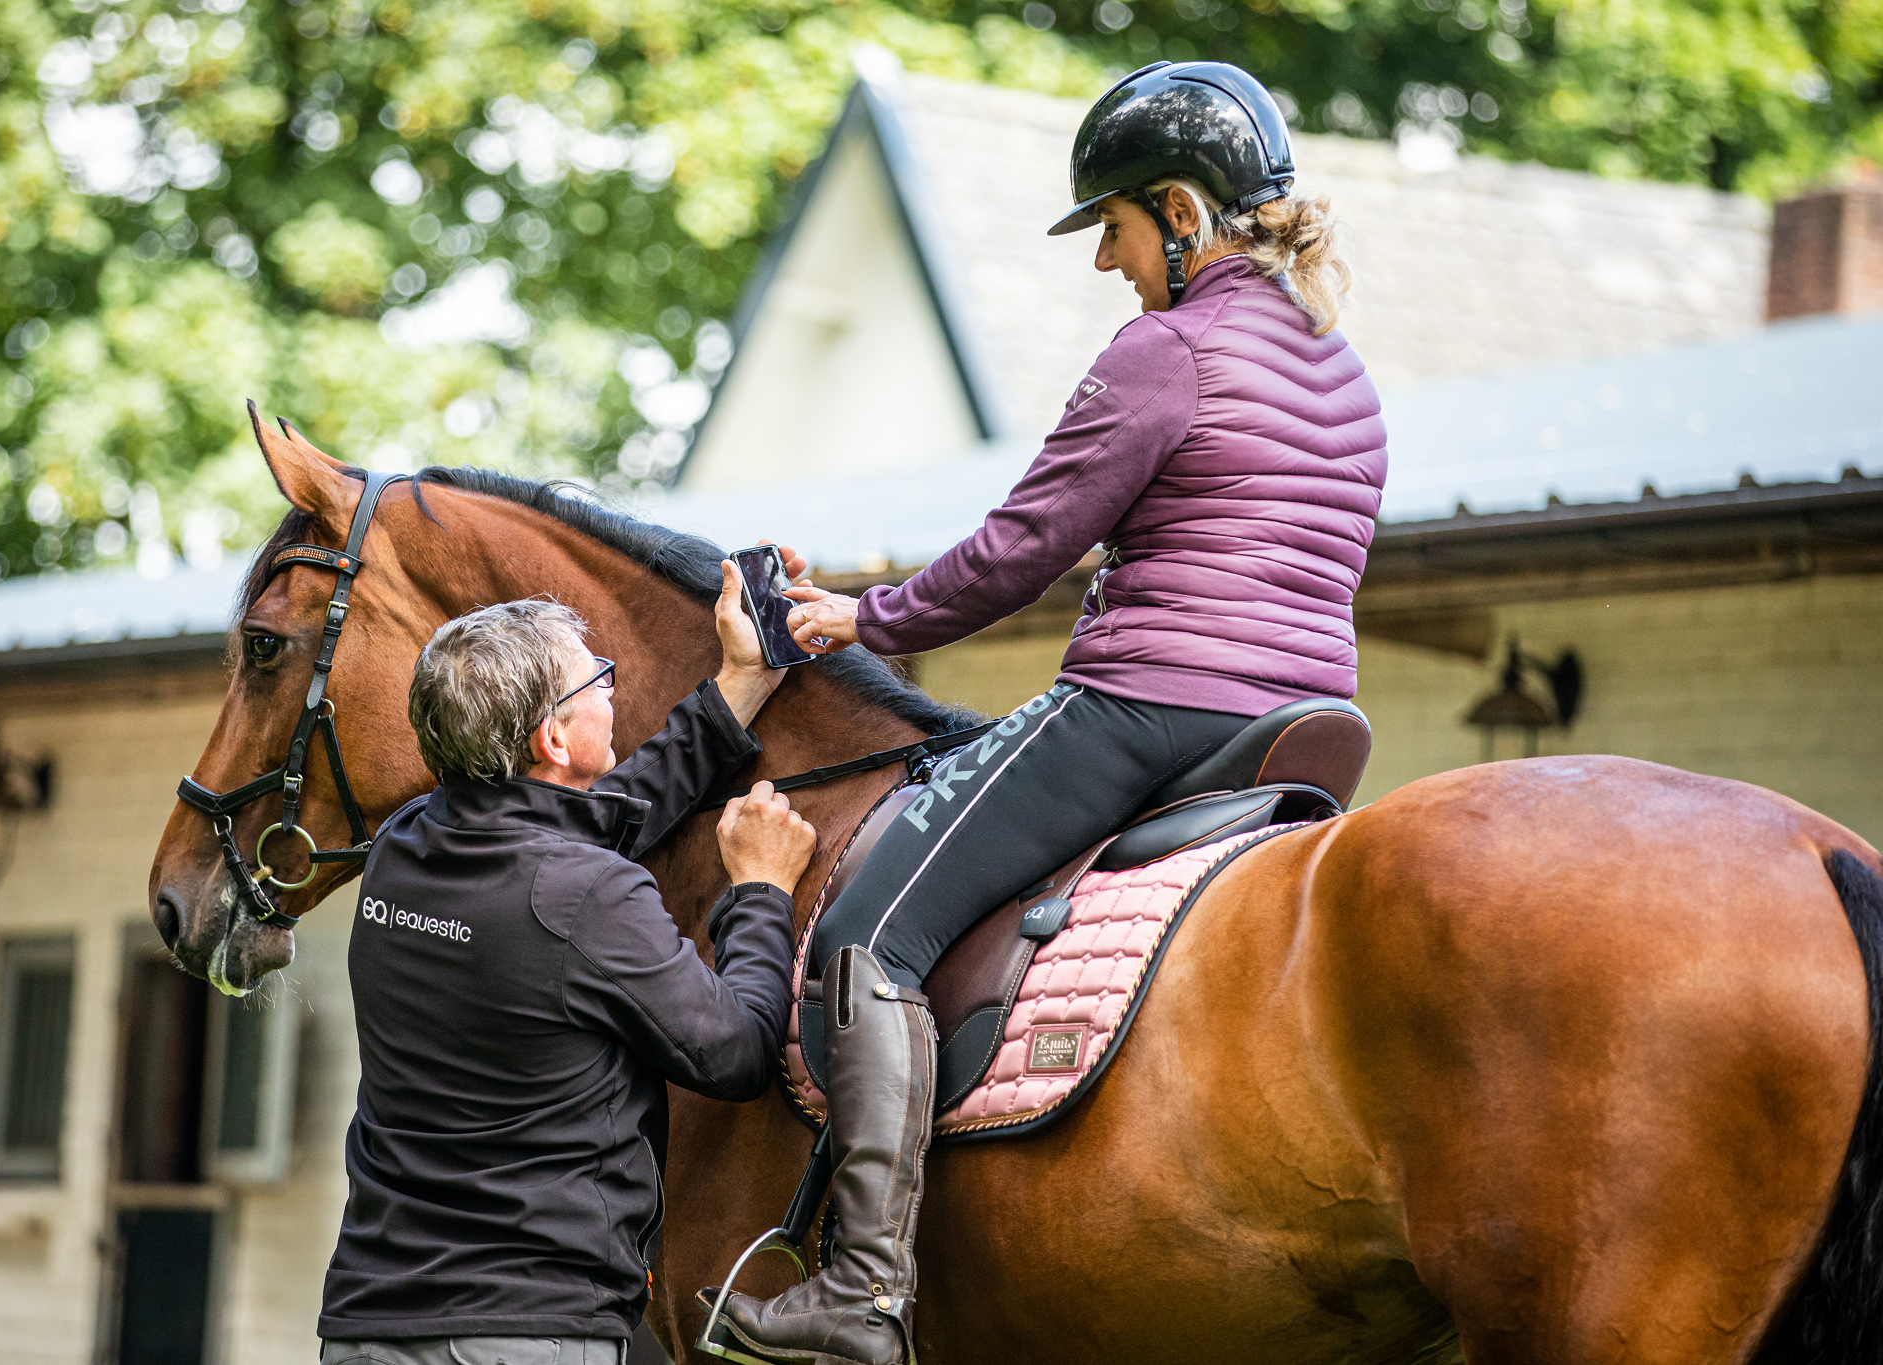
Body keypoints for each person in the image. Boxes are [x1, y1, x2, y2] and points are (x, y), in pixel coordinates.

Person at [710, 61, 1388, 1365]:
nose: (1105, 263)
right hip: (1304, 717)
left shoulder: (1164, 352)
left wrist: (864, 618)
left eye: (1116, 228)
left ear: (1181, 215)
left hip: (1152, 703)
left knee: (860, 938)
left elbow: (1021, 549)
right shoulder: (1343, 372)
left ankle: (860, 1291)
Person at [318, 559, 818, 1364]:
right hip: (527, 1332)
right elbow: (735, 1050)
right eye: (597, 680)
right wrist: (761, 889)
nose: (611, 688)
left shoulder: (402, 847)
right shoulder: (586, 894)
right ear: (553, 737)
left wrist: (740, 686)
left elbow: (583, 819)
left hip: (367, 1325)